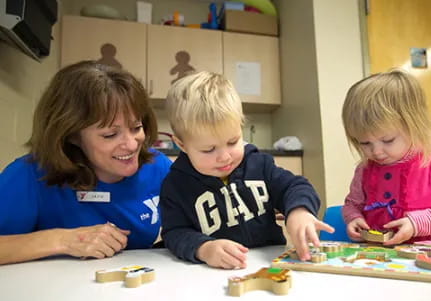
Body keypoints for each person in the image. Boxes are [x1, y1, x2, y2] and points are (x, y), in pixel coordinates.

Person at [0, 61, 171, 265]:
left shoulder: (157, 166)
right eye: (110, 135)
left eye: (136, 127)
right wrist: (63, 240)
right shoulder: (29, 175)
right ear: (71, 135)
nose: (132, 145)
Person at [160, 71, 333, 269]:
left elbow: (295, 186)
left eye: (233, 141)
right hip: (211, 273)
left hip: (269, 264)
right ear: (181, 145)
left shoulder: (259, 165)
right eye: (209, 149)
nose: (224, 157)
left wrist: (299, 211)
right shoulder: (175, 185)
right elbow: (175, 232)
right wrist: (204, 248)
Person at [341, 69, 431, 246]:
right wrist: (353, 218)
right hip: (380, 259)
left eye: (388, 140)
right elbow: (352, 204)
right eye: (364, 143)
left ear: (414, 124)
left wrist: (417, 223)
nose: (376, 152)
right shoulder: (365, 169)